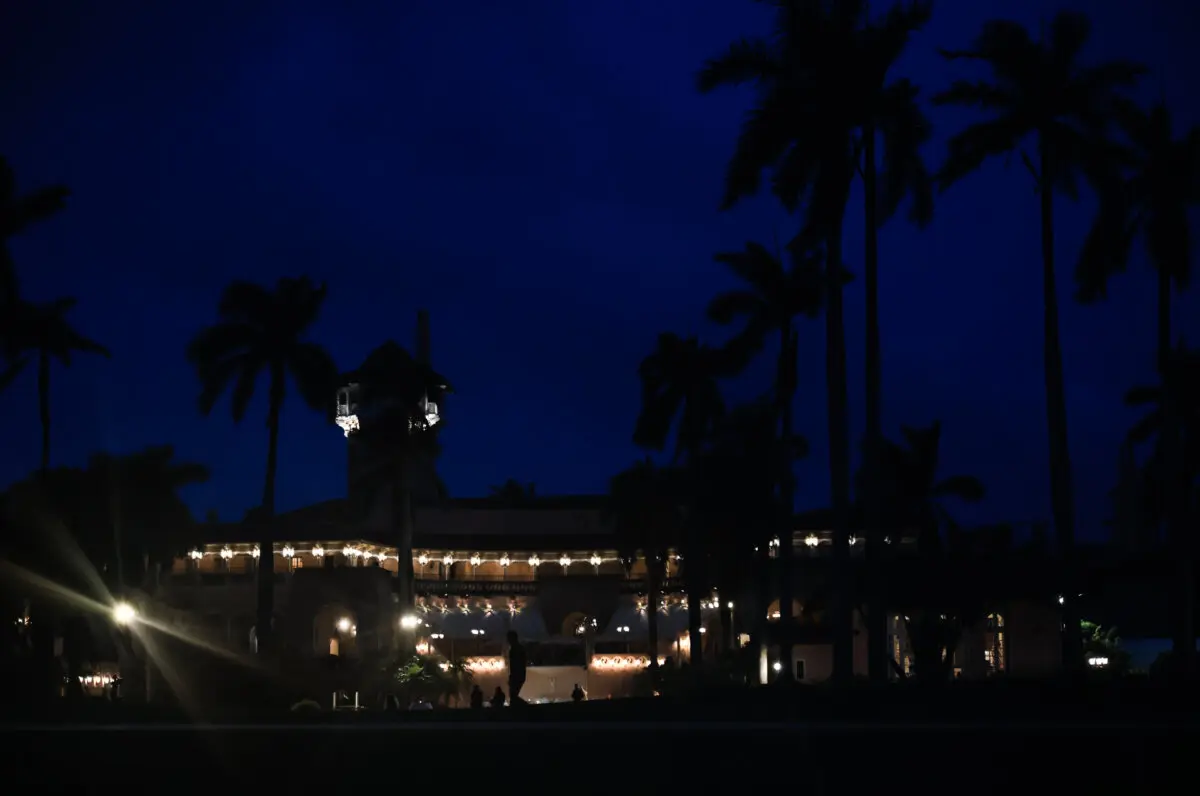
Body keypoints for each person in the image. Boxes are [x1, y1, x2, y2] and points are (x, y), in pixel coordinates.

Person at [506, 630, 527, 704]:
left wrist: (512, 677)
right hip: (519, 675)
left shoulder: (515, 649)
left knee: (513, 696)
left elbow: (515, 664)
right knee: (513, 696)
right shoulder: (519, 648)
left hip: (517, 676)